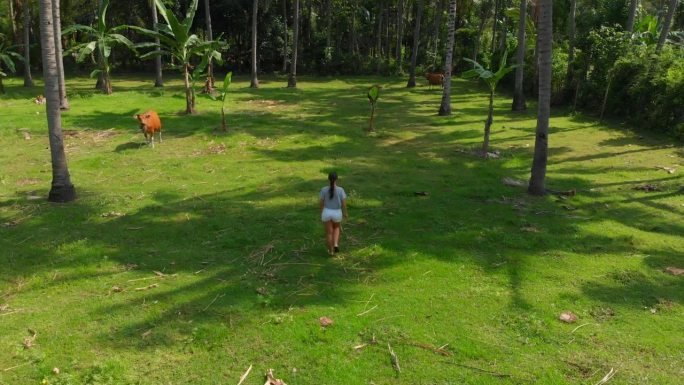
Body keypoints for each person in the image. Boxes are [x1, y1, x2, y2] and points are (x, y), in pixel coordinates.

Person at [319, 172, 348, 255]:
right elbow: (344, 203)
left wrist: (322, 212)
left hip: (327, 211)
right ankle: (335, 244)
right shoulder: (340, 190)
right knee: (336, 228)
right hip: (337, 212)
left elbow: (321, 202)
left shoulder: (323, 189)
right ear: (337, 179)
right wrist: (345, 212)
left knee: (329, 233)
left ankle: (331, 251)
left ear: (328, 179)